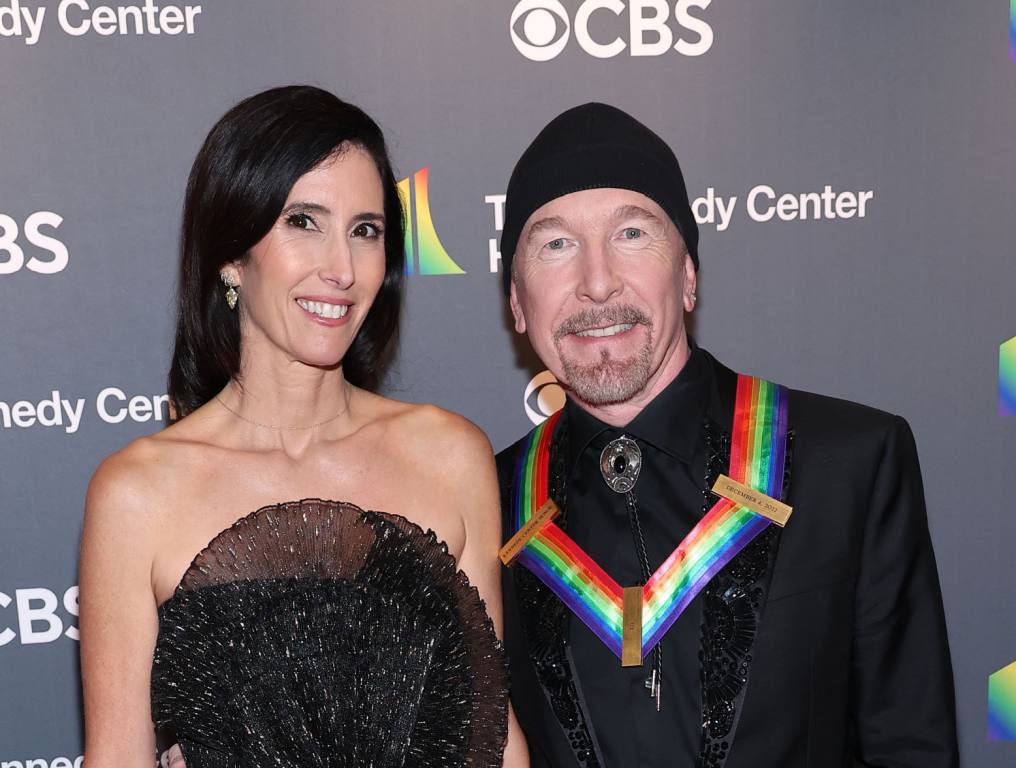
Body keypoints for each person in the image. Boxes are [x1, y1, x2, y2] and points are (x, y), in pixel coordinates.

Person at [495, 103, 958, 767]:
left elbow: (911, 747)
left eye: (631, 233)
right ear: (516, 301)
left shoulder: (850, 463)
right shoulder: (489, 502)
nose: (596, 283)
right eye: (555, 244)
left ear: (688, 276)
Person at [79, 85, 526, 767]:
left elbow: (492, 739)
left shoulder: (449, 456)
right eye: (303, 222)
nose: (341, 270)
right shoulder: (137, 494)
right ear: (231, 253)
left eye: (365, 230)